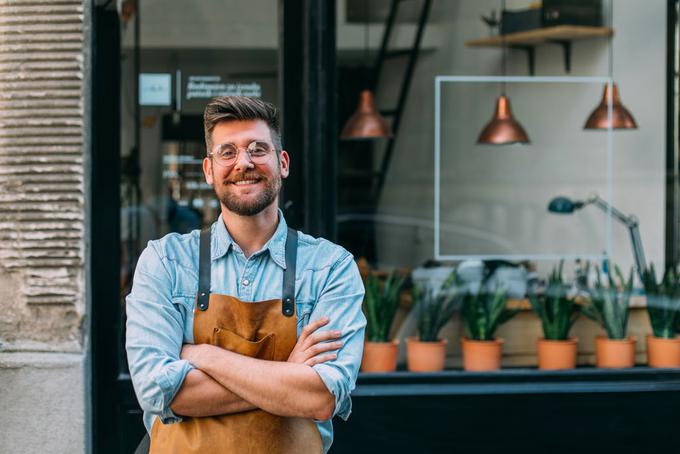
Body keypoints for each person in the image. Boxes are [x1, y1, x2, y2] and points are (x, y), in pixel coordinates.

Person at [126, 96, 366, 453]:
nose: (243, 162)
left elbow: (320, 397)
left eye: (257, 149)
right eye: (227, 152)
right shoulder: (165, 261)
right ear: (209, 170)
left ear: (282, 163)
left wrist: (203, 356)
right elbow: (158, 392)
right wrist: (286, 374)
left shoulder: (331, 268)